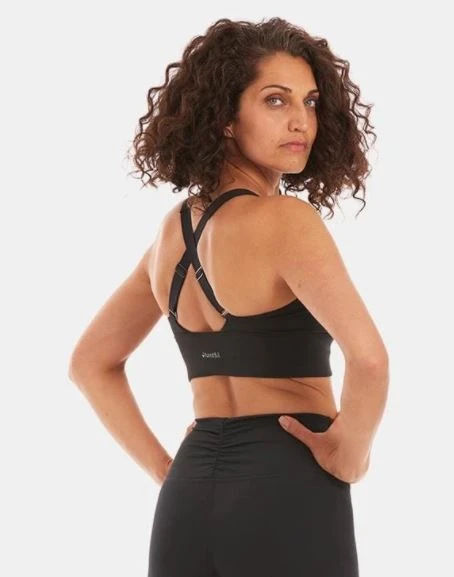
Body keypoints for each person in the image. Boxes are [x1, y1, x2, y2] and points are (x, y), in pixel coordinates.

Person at [68, 16, 389, 577]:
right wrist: (350, 455)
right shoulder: (286, 221)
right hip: (287, 485)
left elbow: (90, 363)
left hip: (188, 497)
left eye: (311, 102)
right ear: (224, 118)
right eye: (275, 100)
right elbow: (370, 360)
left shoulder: (171, 234)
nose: (301, 120)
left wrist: (169, 471)